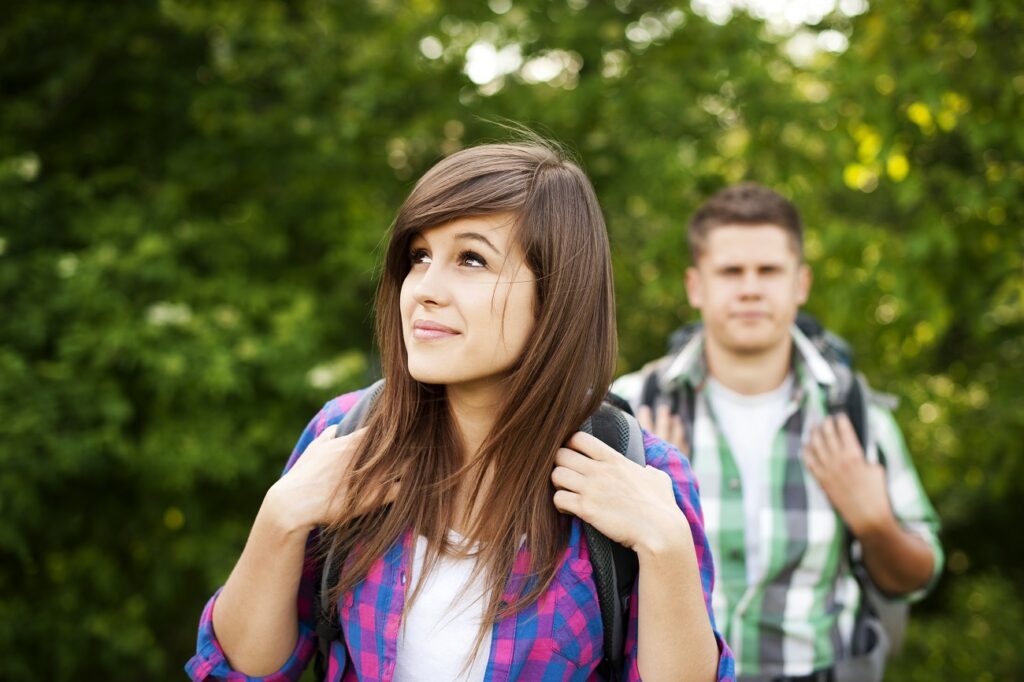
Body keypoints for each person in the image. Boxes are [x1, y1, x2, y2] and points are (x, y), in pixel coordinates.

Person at [186, 141, 736, 681]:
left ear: (556, 295)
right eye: (419, 256)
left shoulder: (643, 475)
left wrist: (665, 547)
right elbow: (241, 672)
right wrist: (280, 517)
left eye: (471, 259)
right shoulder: (345, 435)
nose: (423, 290)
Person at [612, 183, 943, 681]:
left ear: (800, 284)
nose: (750, 288)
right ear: (695, 286)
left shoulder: (856, 415)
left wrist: (876, 523)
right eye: (730, 271)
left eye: (768, 271)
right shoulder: (630, 413)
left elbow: (916, 577)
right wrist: (654, 496)